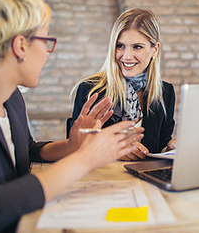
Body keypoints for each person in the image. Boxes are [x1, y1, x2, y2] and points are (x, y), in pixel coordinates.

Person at [0, 0, 144, 233]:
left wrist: (71, 146)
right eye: (46, 41)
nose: (48, 51)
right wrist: (85, 158)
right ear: (21, 46)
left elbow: (26, 150)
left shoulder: (12, 97)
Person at [70, 8, 176, 161]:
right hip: (103, 179)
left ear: (155, 50)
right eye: (120, 46)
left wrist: (169, 149)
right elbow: (74, 148)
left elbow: (159, 148)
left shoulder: (165, 93)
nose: (126, 56)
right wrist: (114, 150)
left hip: (145, 181)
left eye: (137, 47)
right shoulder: (90, 90)